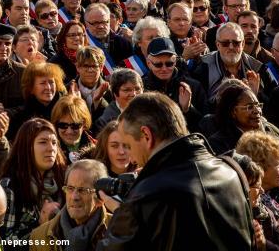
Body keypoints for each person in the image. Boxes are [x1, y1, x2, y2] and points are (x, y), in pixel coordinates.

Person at [96, 92, 254, 251]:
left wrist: (123, 214)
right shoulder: (232, 172)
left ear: (146, 135)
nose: (130, 157)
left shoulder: (146, 195)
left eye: (128, 146)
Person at [0, 117, 66, 241]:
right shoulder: (10, 187)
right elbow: (5, 242)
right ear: (26, 147)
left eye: (54, 142)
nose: (51, 148)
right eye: (43, 142)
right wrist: (41, 225)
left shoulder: (64, 181)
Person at [29, 159, 111, 249]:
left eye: (82, 190)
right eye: (70, 188)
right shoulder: (39, 236)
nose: (74, 197)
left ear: (100, 198)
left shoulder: (119, 231)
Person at [208, 81, 279, 155]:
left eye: (258, 105)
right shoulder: (219, 143)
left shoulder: (271, 131)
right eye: (249, 107)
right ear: (233, 111)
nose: (257, 111)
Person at [51, 94, 95, 161]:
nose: (69, 131)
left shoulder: (97, 149)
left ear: (84, 124)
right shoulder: (49, 150)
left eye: (75, 125)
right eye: (63, 125)